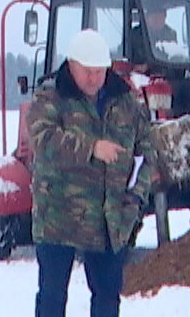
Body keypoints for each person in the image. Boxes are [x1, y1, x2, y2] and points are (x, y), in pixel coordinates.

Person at [29, 28, 157, 317]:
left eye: (99, 72)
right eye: (87, 71)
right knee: (51, 298)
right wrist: (91, 148)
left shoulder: (127, 102)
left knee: (108, 299)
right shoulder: (50, 97)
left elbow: (147, 153)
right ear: (71, 65)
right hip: (58, 218)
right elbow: (43, 139)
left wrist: (135, 200)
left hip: (109, 220)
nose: (93, 79)